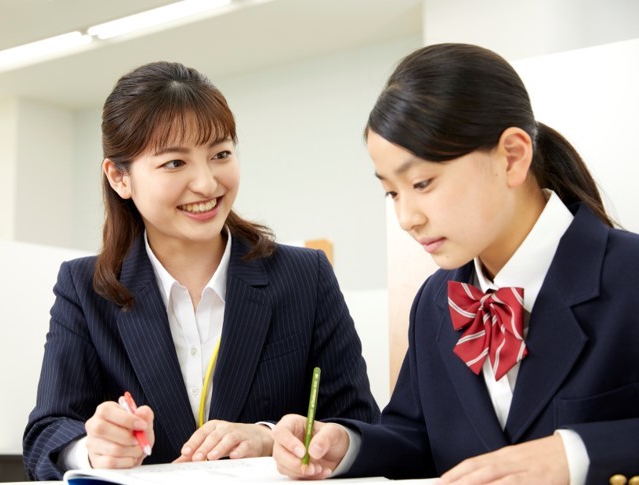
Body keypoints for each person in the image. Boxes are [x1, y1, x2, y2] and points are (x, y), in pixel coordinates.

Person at [272, 43, 639, 484]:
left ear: (512, 156)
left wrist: (576, 454)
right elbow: (416, 435)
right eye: (391, 192)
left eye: (423, 182)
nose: (407, 218)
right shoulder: (435, 301)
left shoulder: (628, 274)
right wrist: (347, 447)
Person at [22, 61, 379, 480]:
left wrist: (269, 438)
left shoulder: (305, 276)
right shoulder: (85, 289)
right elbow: (45, 435)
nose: (207, 184)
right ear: (119, 177)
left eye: (221, 154)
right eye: (175, 163)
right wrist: (92, 449)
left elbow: (362, 424)